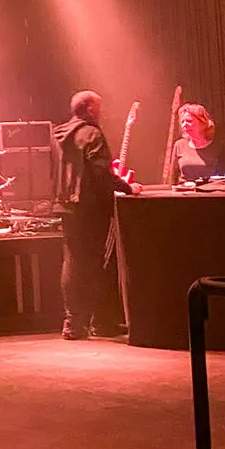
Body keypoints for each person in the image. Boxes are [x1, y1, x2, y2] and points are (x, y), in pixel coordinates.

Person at [53, 90, 138, 341]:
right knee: (97, 264)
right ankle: (100, 321)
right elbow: (101, 174)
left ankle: (74, 322)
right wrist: (128, 188)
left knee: (73, 262)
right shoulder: (92, 134)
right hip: (91, 208)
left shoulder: (58, 135)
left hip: (66, 206)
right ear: (90, 109)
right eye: (99, 107)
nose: (103, 112)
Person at [170, 102, 225, 183]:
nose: (184, 125)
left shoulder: (220, 146)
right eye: (182, 122)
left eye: (189, 121)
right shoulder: (179, 145)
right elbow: (173, 177)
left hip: (212, 189)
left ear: (203, 122)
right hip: (185, 189)